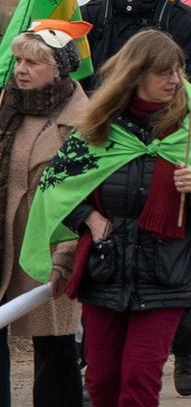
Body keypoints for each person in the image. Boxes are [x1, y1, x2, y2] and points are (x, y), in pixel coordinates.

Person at [23, 30, 191, 407]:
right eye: (164, 72)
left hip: (165, 277)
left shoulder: (189, 129)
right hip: (106, 274)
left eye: (179, 70)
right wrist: (87, 216)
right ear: (136, 74)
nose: (174, 80)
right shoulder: (98, 129)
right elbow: (57, 187)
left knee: (138, 381)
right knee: (101, 383)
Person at [75, 0, 191, 393]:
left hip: (163, 150)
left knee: (163, 253)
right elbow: (77, 85)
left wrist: (168, 138)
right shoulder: (92, 14)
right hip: (105, 151)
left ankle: (186, 341)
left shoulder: (181, 21)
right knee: (106, 256)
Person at [0, 23, 89, 406]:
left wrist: (66, 252)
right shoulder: (8, 108)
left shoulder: (84, 120)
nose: (21, 69)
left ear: (58, 68)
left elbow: (87, 191)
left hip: (51, 243)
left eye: (32, 62)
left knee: (54, 344)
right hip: (4, 239)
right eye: (18, 60)